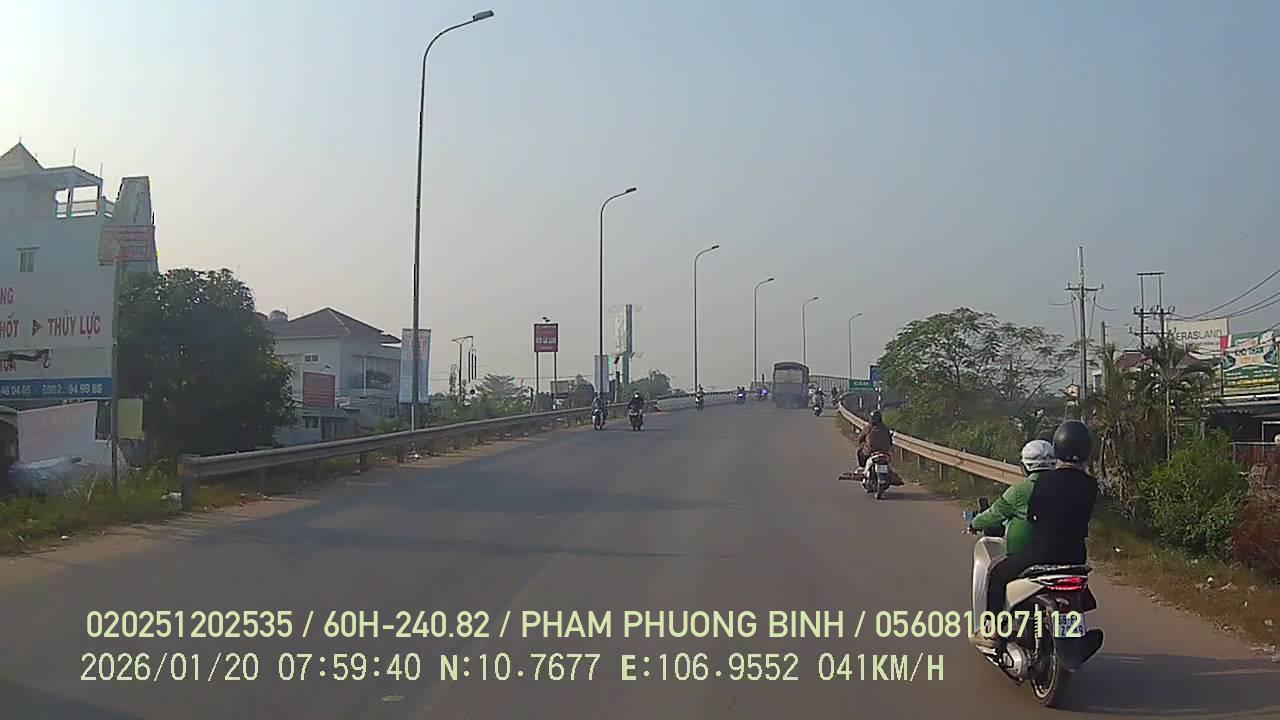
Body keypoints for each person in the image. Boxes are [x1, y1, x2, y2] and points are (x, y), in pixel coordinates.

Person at [970, 420, 1099, 649]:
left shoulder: (1044, 481)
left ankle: (993, 631)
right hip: (1076, 557)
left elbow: (1033, 516)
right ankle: (1074, 635)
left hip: (1043, 554)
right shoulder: (1091, 485)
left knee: (997, 574)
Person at [970, 440, 1056, 555]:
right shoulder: (1066, 487)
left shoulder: (1018, 491)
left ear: (1024, 466)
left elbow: (994, 514)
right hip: (1067, 554)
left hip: (1025, 555)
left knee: (996, 566)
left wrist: (974, 524)